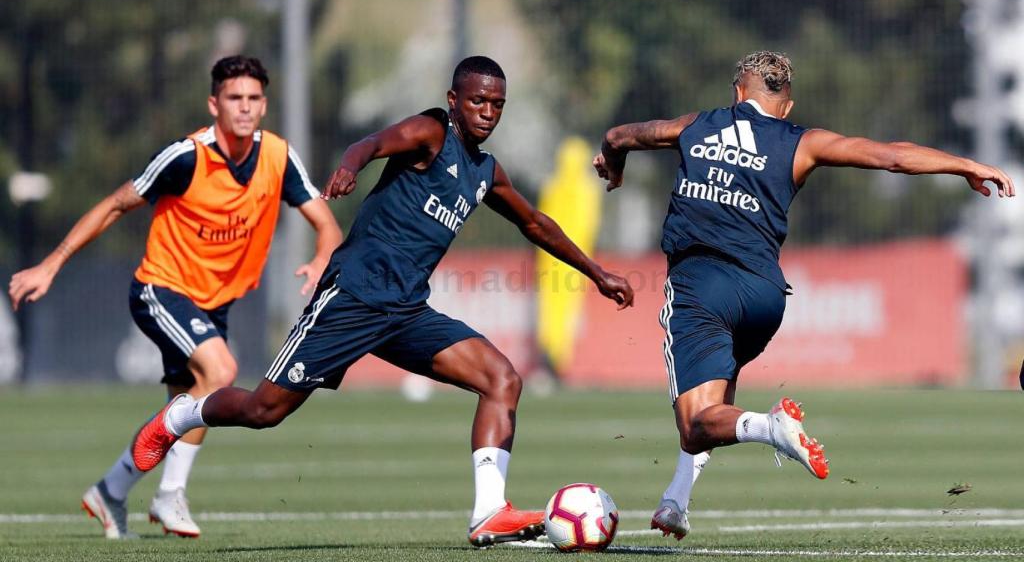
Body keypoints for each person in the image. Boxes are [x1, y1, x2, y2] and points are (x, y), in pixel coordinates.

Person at [129, 55, 635, 546]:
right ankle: (180, 417)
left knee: (501, 379)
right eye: (478, 101)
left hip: (406, 311)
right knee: (265, 410)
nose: (488, 112)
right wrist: (350, 166)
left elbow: (534, 223)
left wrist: (596, 272)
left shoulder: (486, 171)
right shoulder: (433, 133)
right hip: (351, 296)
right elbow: (370, 143)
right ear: (453, 100)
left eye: (497, 104)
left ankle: (488, 512)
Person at [593, 50, 1015, 540]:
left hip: (701, 284)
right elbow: (891, 157)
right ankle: (676, 501)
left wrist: (615, 166)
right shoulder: (803, 142)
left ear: (736, 94)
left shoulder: (695, 126)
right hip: (765, 297)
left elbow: (619, 136)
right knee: (718, 401)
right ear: (786, 107)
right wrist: (963, 164)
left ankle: (773, 429)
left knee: (697, 423)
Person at [8, 55, 343, 539]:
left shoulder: (278, 156)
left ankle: (113, 489)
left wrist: (320, 256)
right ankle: (168, 496)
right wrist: (52, 262)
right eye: (234, 99)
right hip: (161, 289)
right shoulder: (186, 156)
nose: (244, 108)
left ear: (264, 106)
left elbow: (327, 224)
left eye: (253, 99)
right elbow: (114, 205)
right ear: (214, 104)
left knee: (191, 406)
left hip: (217, 301)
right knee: (222, 373)